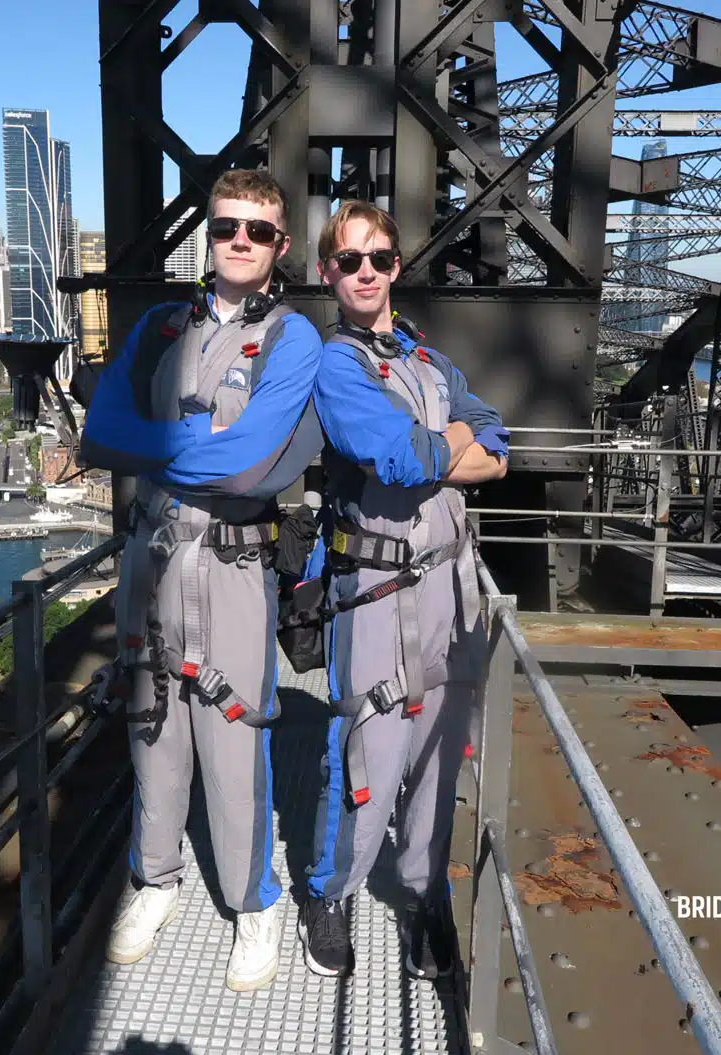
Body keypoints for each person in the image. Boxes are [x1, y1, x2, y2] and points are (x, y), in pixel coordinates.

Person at [80, 169, 324, 992]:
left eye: (258, 231)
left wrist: (164, 442)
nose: (240, 242)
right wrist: (197, 443)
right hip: (151, 556)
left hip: (234, 564)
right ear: (208, 236)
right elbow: (98, 434)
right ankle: (155, 880)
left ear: (280, 245)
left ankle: (253, 902)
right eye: (227, 228)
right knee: (151, 724)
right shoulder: (156, 326)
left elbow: (254, 463)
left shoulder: (295, 341)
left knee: (232, 734)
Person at [297, 200, 509, 980]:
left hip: (451, 584)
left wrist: (451, 444)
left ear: (395, 266)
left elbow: (499, 438)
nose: (364, 272)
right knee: (368, 749)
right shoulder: (335, 362)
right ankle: (332, 891)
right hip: (375, 588)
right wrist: (456, 444)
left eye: (378, 258)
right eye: (348, 260)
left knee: (441, 750)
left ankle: (423, 893)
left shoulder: (424, 356)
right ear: (328, 271)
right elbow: (393, 457)